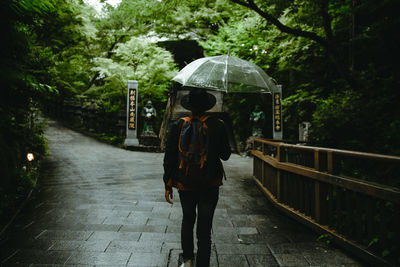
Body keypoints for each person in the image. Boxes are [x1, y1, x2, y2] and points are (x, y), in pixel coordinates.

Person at [163, 88, 231, 267]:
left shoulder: (179, 125)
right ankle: (203, 263)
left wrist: (167, 183)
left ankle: (187, 260)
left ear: (190, 106)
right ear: (207, 106)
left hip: (185, 182)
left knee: (187, 219)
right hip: (210, 183)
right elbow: (226, 155)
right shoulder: (217, 125)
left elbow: (169, 156)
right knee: (204, 228)